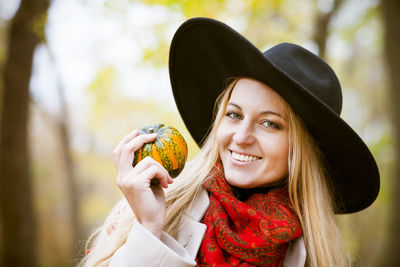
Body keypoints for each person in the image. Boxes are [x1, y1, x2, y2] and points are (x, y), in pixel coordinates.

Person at [79, 17, 380, 267]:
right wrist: (148, 229)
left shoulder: (317, 254)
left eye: (269, 123)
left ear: (301, 150)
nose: (241, 137)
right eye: (234, 115)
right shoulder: (148, 208)